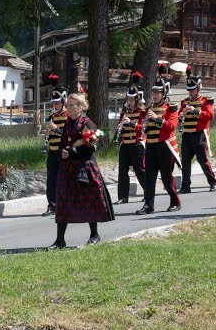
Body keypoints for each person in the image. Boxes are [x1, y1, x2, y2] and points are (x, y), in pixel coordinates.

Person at [50, 93, 114, 248]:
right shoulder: (66, 124)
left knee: (89, 201)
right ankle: (60, 240)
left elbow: (90, 146)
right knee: (63, 202)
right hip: (67, 169)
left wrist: (72, 151)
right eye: (68, 105)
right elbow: (61, 145)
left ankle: (94, 235)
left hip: (84, 168)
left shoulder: (87, 123)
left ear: (80, 107)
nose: (68, 108)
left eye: (72, 105)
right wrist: (61, 152)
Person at [137, 76, 181, 214]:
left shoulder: (170, 108)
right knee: (149, 177)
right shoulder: (150, 108)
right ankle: (148, 206)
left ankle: (175, 202)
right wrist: (143, 125)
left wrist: (156, 119)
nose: (154, 95)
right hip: (151, 146)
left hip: (165, 147)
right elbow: (145, 128)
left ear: (163, 94)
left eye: (157, 92)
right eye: (153, 92)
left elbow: (171, 126)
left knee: (166, 177)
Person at [177, 73, 216, 193]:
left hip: (199, 135)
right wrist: (180, 116)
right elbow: (179, 116)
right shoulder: (184, 102)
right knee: (185, 161)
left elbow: (210, 116)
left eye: (192, 90)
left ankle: (212, 182)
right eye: (189, 90)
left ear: (198, 89)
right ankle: (185, 186)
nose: (190, 93)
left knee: (202, 160)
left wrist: (195, 110)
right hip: (186, 134)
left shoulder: (206, 101)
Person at [114, 74, 147, 205]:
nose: (129, 102)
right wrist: (120, 126)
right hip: (125, 144)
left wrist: (131, 124)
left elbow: (143, 129)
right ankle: (123, 197)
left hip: (137, 144)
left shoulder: (143, 113)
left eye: (132, 100)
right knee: (122, 171)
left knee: (139, 170)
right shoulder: (124, 113)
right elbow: (121, 129)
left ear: (138, 100)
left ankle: (148, 192)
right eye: (128, 99)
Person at [41, 75, 69, 217]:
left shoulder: (69, 116)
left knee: (63, 180)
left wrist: (56, 129)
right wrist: (47, 133)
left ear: (64, 102)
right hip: (52, 151)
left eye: (57, 103)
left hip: (62, 152)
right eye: (54, 103)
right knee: (51, 180)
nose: (55, 105)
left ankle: (65, 204)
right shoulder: (53, 116)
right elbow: (52, 134)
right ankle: (51, 205)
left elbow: (68, 136)